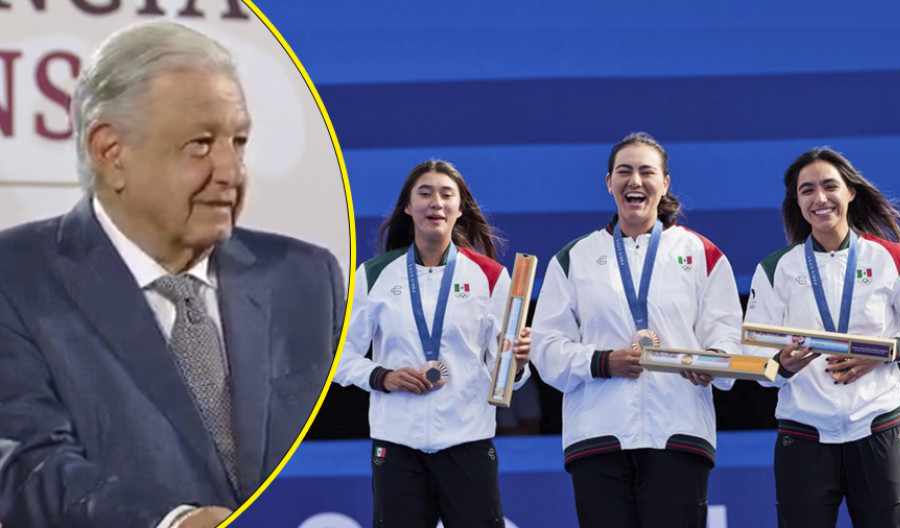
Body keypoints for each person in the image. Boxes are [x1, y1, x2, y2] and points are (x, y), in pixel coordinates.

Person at [0, 21, 346, 528]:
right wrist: (173, 521)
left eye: (239, 141)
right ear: (111, 152)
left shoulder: (305, 278)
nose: (231, 171)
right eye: (201, 144)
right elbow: (26, 465)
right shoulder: (16, 279)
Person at [531, 132, 743, 528]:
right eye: (624, 171)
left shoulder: (702, 254)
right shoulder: (574, 258)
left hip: (678, 432)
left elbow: (729, 335)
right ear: (608, 182)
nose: (635, 181)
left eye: (647, 172)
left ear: (665, 184)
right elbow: (546, 348)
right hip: (598, 434)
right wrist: (601, 362)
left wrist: (713, 362)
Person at [743, 147, 900, 528]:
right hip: (803, 436)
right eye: (807, 190)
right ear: (796, 200)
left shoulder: (892, 258)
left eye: (829, 186)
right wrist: (781, 366)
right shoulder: (775, 269)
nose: (819, 199)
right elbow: (753, 356)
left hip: (878, 427)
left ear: (850, 191)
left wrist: (888, 350)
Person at [333, 160, 531, 528]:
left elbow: (506, 373)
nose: (435, 202)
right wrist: (382, 377)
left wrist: (517, 363)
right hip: (397, 445)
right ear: (408, 206)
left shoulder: (491, 277)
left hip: (468, 442)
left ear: (460, 208)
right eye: (424, 193)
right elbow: (338, 358)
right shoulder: (374, 275)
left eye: (446, 194)